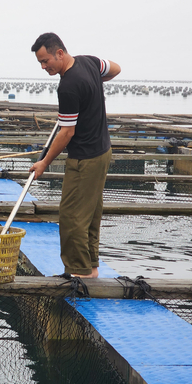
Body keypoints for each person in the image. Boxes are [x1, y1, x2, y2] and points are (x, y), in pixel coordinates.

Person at [29, 33, 121, 278]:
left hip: (85, 158)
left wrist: (44, 163)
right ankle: (91, 269)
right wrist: (96, 85)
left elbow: (66, 132)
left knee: (71, 217)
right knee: (90, 213)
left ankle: (78, 274)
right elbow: (116, 69)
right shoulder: (89, 62)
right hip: (103, 151)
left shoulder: (68, 86)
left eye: (46, 60)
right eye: (40, 62)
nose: (43, 66)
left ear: (59, 53)